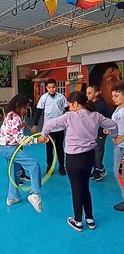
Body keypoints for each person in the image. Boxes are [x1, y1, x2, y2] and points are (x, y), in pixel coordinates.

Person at [40, 91, 118, 231]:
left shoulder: (69, 117)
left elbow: (48, 125)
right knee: (85, 188)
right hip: (89, 158)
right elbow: (113, 125)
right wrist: (114, 136)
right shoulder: (96, 116)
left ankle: (78, 221)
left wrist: (44, 136)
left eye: (70, 105)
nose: (69, 108)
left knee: (76, 190)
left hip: (74, 159)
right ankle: (90, 219)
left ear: (76, 104)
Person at [0, 94, 45, 213]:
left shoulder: (10, 115)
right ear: (19, 106)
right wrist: (37, 140)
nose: (26, 110)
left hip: (4, 147)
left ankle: (12, 197)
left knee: (14, 173)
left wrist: (28, 127)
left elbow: (18, 127)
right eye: (25, 108)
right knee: (34, 165)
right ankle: (35, 195)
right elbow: (20, 139)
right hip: (10, 148)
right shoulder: (15, 118)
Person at [32, 78, 68, 175]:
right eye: (49, 87)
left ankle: (61, 166)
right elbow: (38, 112)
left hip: (60, 127)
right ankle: (50, 166)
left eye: (53, 87)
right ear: (46, 88)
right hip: (48, 129)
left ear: (56, 87)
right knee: (49, 148)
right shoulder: (43, 98)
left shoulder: (61, 97)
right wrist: (35, 124)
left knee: (60, 147)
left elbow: (67, 109)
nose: (52, 89)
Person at [86, 85, 112, 180]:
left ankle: (100, 169)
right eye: (87, 93)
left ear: (96, 93)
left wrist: (107, 128)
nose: (87, 95)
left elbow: (109, 116)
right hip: (91, 132)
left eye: (90, 93)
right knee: (92, 151)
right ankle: (95, 170)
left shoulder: (101, 105)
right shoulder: (88, 104)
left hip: (100, 131)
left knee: (98, 150)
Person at [111, 82, 124, 212]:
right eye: (113, 95)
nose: (114, 98)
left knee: (119, 173)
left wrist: (121, 137)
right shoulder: (119, 108)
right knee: (118, 172)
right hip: (119, 146)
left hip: (122, 147)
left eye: (116, 95)